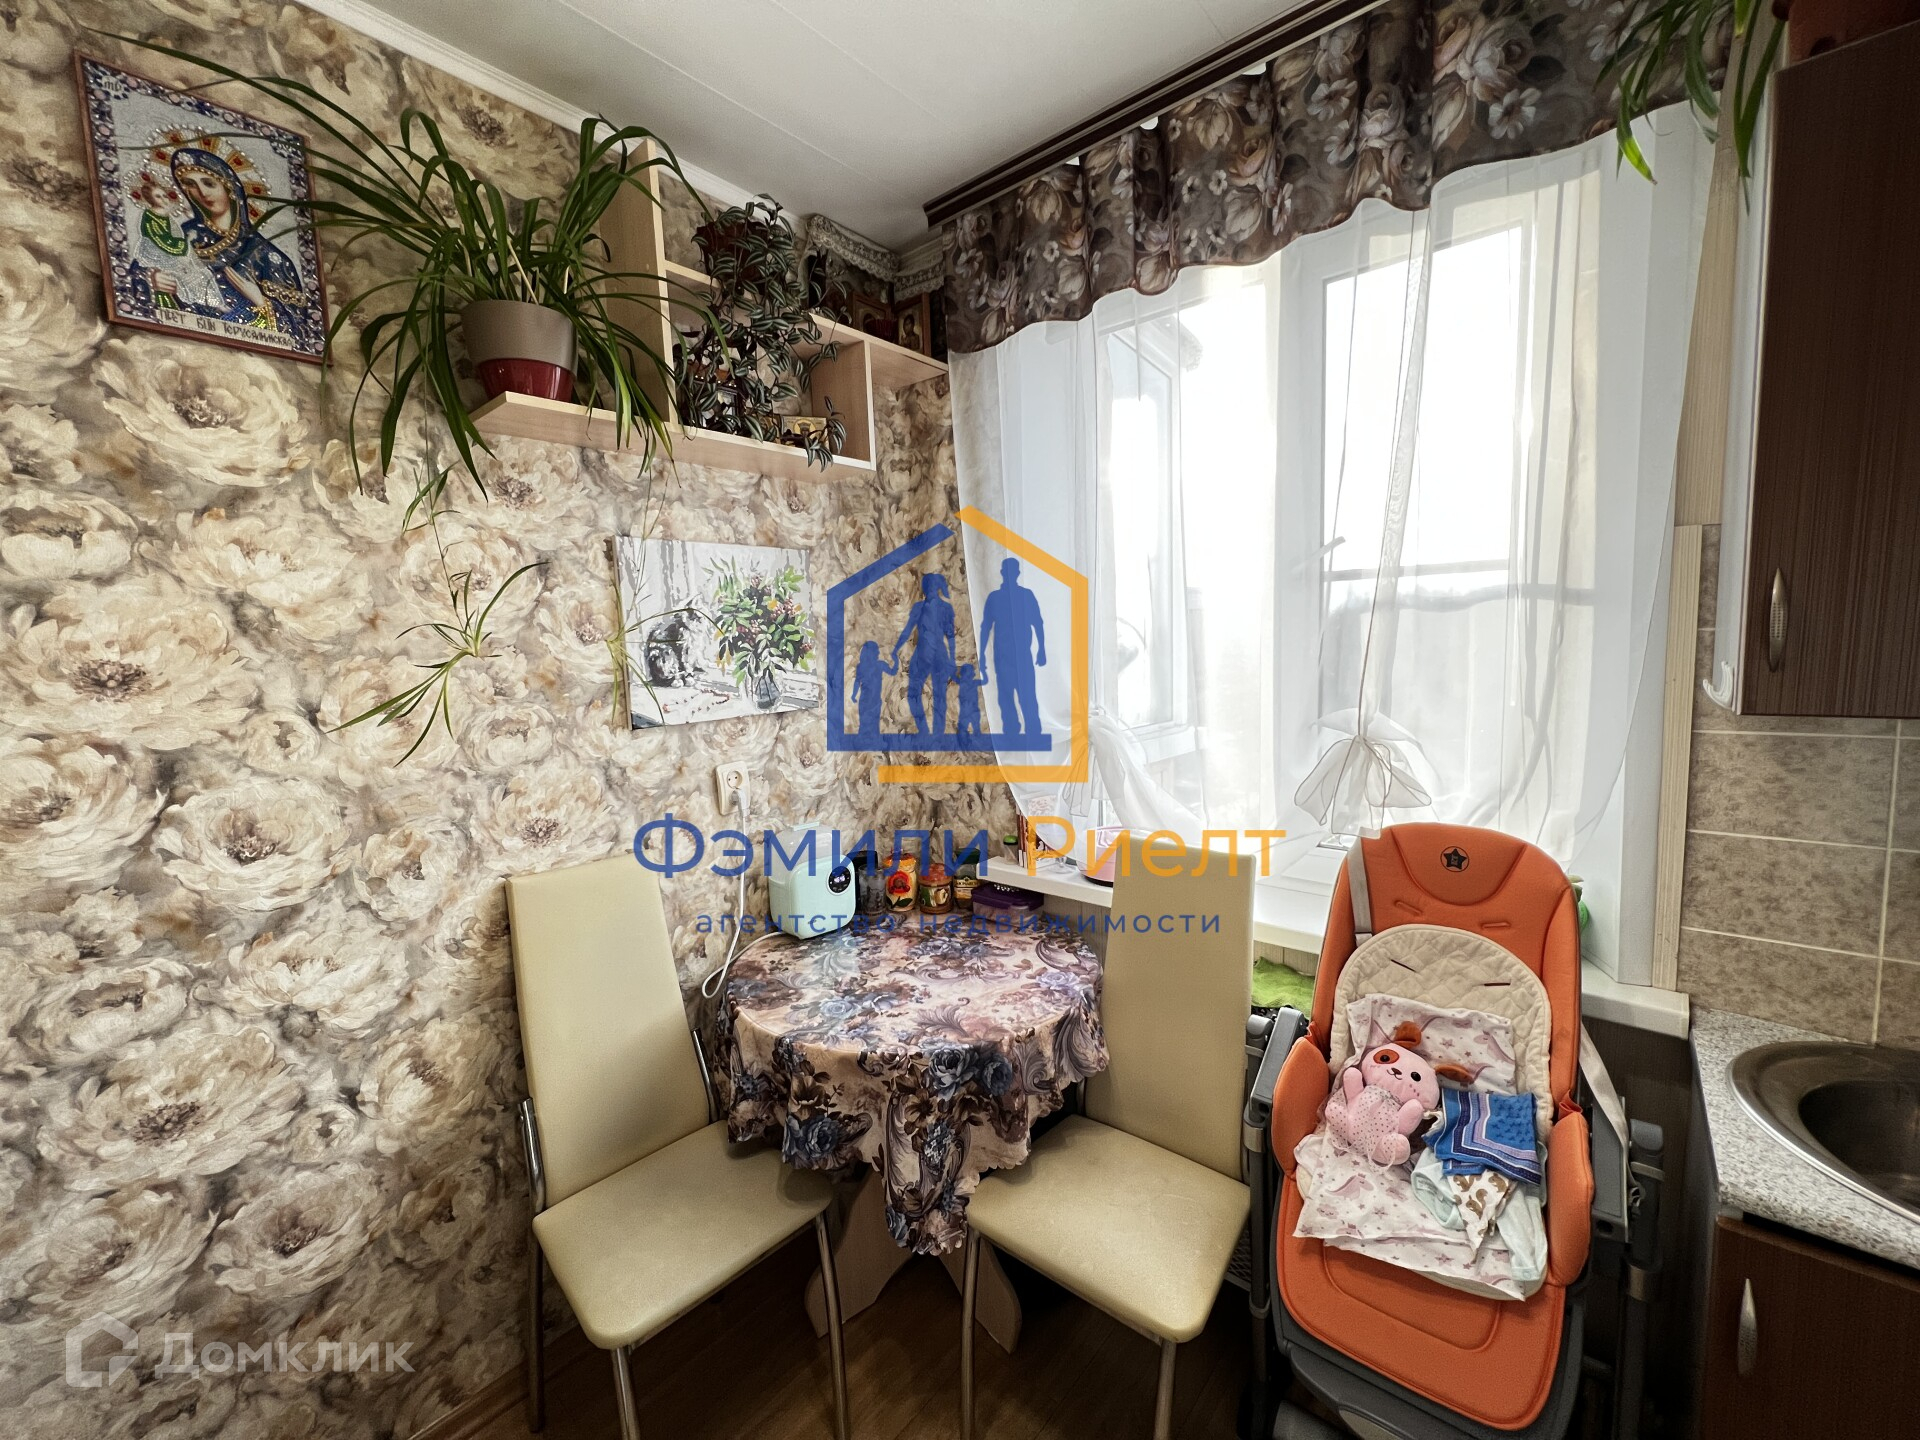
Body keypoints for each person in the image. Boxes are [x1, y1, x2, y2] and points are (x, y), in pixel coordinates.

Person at [142, 147, 322, 351]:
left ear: (229, 187)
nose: (202, 193)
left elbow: (300, 336)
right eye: (191, 185)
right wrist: (153, 280)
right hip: (177, 348)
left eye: (209, 183)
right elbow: (130, 287)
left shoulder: (264, 254)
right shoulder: (179, 237)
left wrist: (262, 303)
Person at [979, 557, 1046, 738]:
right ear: (1002, 573)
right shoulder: (994, 598)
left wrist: (1041, 649)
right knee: (1005, 696)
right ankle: (1011, 734)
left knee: (1027, 696)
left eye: (1013, 571)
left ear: (1017, 573)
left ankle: (1033, 733)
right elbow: (985, 627)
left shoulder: (1026, 596)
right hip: (1002, 656)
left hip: (1023, 655)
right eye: (1007, 571)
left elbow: (1037, 623)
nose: (1010, 574)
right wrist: (982, 655)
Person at [891, 573, 958, 736]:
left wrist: (952, 660)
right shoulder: (918, 607)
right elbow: (908, 629)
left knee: (940, 695)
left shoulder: (945, 608)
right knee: (913, 692)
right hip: (921, 653)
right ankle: (924, 731)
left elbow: (950, 636)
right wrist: (895, 649)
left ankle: (937, 734)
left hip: (939, 654)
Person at [850, 640, 896, 742]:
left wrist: (896, 661)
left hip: (872, 700)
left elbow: (893, 672)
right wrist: (853, 694)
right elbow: (857, 682)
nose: (878, 653)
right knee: (866, 723)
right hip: (868, 700)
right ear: (870, 652)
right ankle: (865, 743)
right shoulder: (871, 665)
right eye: (876, 651)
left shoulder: (878, 665)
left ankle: (869, 743)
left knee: (872, 724)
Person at [953, 662, 988, 744]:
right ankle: (964, 740)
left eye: (971, 672)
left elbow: (985, 681)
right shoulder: (962, 682)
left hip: (973, 709)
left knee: (976, 728)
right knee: (965, 727)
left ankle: (972, 739)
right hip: (966, 710)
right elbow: (954, 676)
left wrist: (983, 671)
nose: (972, 673)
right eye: (970, 672)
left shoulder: (973, 682)